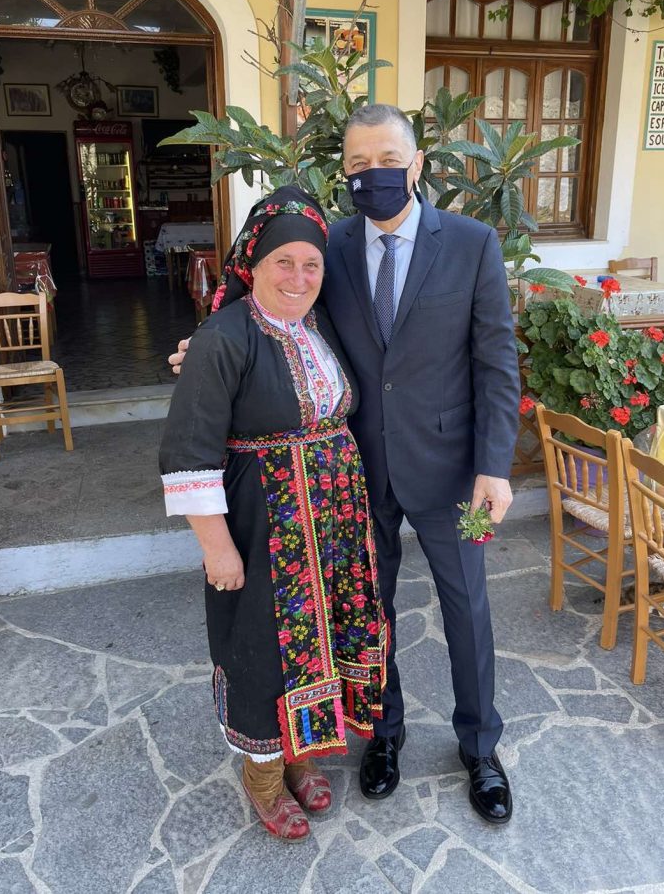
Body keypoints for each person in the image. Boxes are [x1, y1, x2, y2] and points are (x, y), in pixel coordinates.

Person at [171, 105, 520, 825]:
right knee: (365, 610)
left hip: (451, 471)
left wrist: (494, 465)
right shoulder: (326, 244)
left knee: (467, 610)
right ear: (345, 172)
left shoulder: (472, 243)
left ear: (416, 163)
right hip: (354, 477)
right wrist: (198, 351)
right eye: (358, 164)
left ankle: (480, 749)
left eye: (387, 160)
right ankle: (382, 735)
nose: (373, 174)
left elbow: (495, 362)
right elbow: (274, 312)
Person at [159, 186, 387, 843]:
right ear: (251, 265)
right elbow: (188, 453)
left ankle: (300, 754)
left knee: (321, 641)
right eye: (283, 262)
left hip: (333, 523)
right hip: (264, 529)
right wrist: (217, 549)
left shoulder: (322, 326)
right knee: (262, 647)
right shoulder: (222, 338)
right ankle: (262, 772)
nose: (298, 277)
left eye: (311, 264)